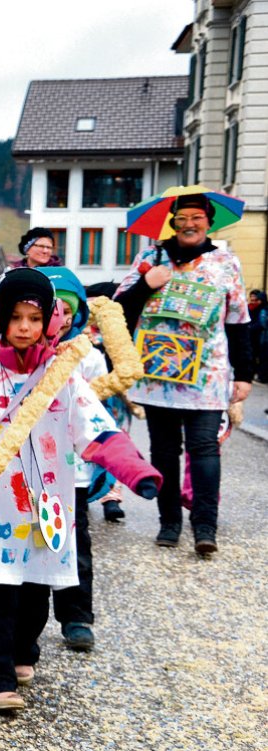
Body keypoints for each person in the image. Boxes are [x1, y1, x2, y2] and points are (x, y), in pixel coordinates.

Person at [0, 268, 160, 712]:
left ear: (50, 320)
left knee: (35, 592)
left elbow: (97, 429)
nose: (24, 327)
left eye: (34, 318)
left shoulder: (62, 374)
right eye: (15, 317)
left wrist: (136, 472)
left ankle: (21, 651)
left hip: (47, 502)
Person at [114, 193, 252, 554]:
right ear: (172, 223)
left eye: (196, 218)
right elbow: (118, 309)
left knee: (204, 448)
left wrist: (244, 374)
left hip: (207, 376)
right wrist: (146, 284)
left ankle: (205, 526)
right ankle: (169, 522)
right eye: (182, 218)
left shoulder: (226, 263)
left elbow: (239, 320)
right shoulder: (150, 258)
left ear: (209, 222)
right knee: (163, 451)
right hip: (158, 376)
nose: (189, 224)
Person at [39, 267, 106, 652]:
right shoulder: (23, 353)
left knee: (74, 543)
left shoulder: (90, 357)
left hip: (73, 470)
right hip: (30, 469)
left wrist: (104, 465)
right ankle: (25, 623)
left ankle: (76, 615)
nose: (60, 318)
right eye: (53, 310)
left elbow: (99, 413)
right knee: (31, 542)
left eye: (67, 310)